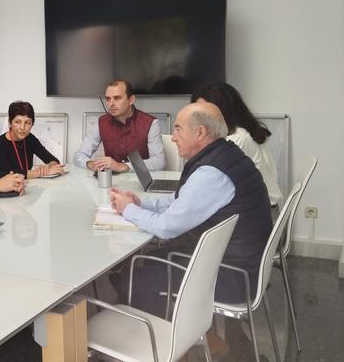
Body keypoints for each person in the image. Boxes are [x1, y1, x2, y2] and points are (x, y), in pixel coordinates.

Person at [108, 102, 273, 317]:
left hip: (232, 277)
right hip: (238, 264)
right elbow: (181, 200)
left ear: (200, 133)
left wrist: (128, 210)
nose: (174, 137)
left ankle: (153, 341)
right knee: (147, 258)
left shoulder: (211, 173)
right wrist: (141, 204)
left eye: (177, 129)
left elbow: (166, 228)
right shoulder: (226, 155)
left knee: (137, 276)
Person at [191, 81, 284, 206]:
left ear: (223, 110)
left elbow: (209, 184)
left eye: (206, 112)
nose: (200, 118)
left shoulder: (236, 140)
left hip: (257, 213)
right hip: (259, 206)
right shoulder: (243, 131)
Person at [72, 79, 165, 172]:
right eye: (108, 99)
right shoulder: (101, 122)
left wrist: (123, 166)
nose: (111, 104)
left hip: (141, 181)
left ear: (131, 100)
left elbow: (159, 162)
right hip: (112, 182)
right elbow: (79, 155)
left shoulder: (150, 123)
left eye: (117, 98)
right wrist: (90, 164)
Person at [0, 101, 66, 179]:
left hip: (27, 184)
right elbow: (8, 173)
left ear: (32, 124)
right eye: (17, 122)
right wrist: (39, 173)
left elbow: (53, 160)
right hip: (8, 189)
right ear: (10, 122)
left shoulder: (30, 139)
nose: (22, 127)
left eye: (27, 122)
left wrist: (47, 167)